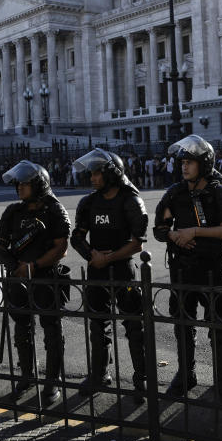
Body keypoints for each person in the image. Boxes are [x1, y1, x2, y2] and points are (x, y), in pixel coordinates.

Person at [153, 135, 222, 407]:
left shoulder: (220, 193)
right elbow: (159, 229)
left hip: (211, 270)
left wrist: (195, 232)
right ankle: (186, 374)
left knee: (220, 327)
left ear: (204, 164)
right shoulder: (174, 193)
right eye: (183, 162)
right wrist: (175, 236)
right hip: (181, 269)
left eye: (190, 162)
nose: (184, 167)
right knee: (182, 324)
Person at [70, 149, 148, 402]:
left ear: (111, 173)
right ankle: (100, 374)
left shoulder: (130, 201)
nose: (92, 178)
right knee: (97, 325)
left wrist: (109, 257)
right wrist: (91, 254)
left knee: (134, 327)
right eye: (91, 173)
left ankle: (141, 378)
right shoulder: (89, 203)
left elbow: (138, 243)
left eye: (96, 173)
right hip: (96, 271)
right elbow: (77, 236)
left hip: (123, 271)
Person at [0, 161, 71, 403]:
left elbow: (62, 248)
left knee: (51, 330)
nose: (19, 188)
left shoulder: (55, 210)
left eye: (24, 184)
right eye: (18, 184)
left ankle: (52, 381)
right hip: (18, 277)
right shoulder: (13, 212)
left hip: (46, 277)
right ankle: (27, 375)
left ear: (38, 184)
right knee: (22, 328)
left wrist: (34, 267)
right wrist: (15, 266)